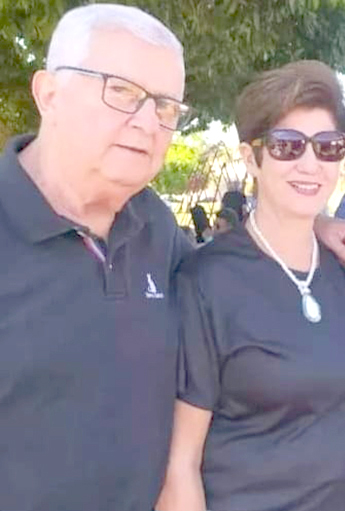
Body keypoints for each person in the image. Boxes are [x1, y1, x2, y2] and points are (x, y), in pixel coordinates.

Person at [156, 60, 345, 511]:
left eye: (328, 146)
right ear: (250, 157)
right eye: (286, 146)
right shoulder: (208, 282)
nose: (310, 163)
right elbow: (180, 464)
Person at [0, 4, 195, 510]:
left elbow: (232, 284)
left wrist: (309, 226)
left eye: (166, 105)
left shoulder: (157, 226)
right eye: (122, 91)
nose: (148, 121)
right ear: (49, 95)